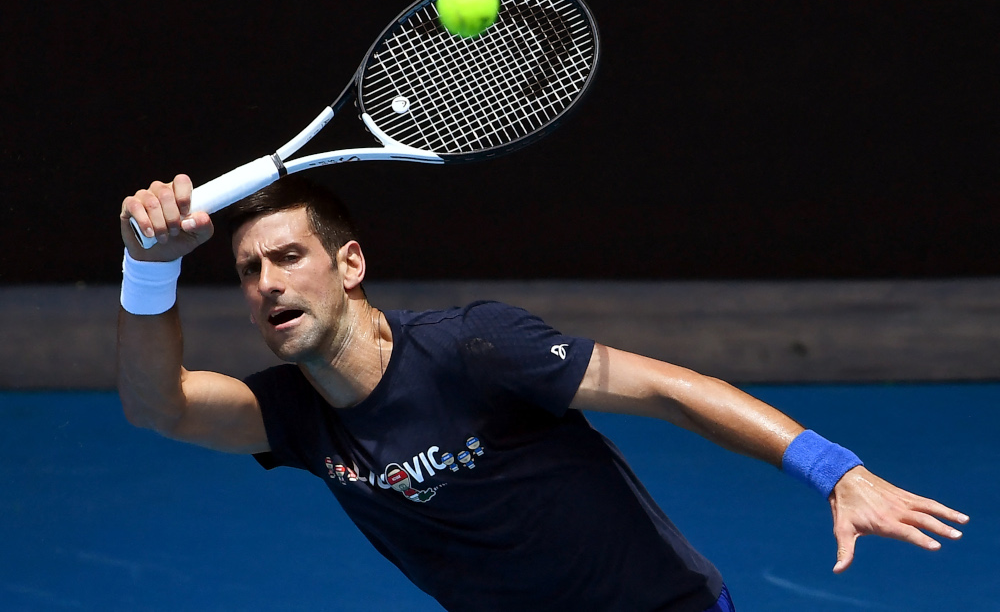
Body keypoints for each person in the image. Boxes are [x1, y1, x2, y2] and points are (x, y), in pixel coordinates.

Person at [117, 173, 969, 612]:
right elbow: (162, 406)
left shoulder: (477, 348)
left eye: (288, 257)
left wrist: (836, 470)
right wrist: (146, 273)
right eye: (246, 270)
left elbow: (674, 390)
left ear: (350, 263)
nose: (265, 283)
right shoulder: (298, 417)